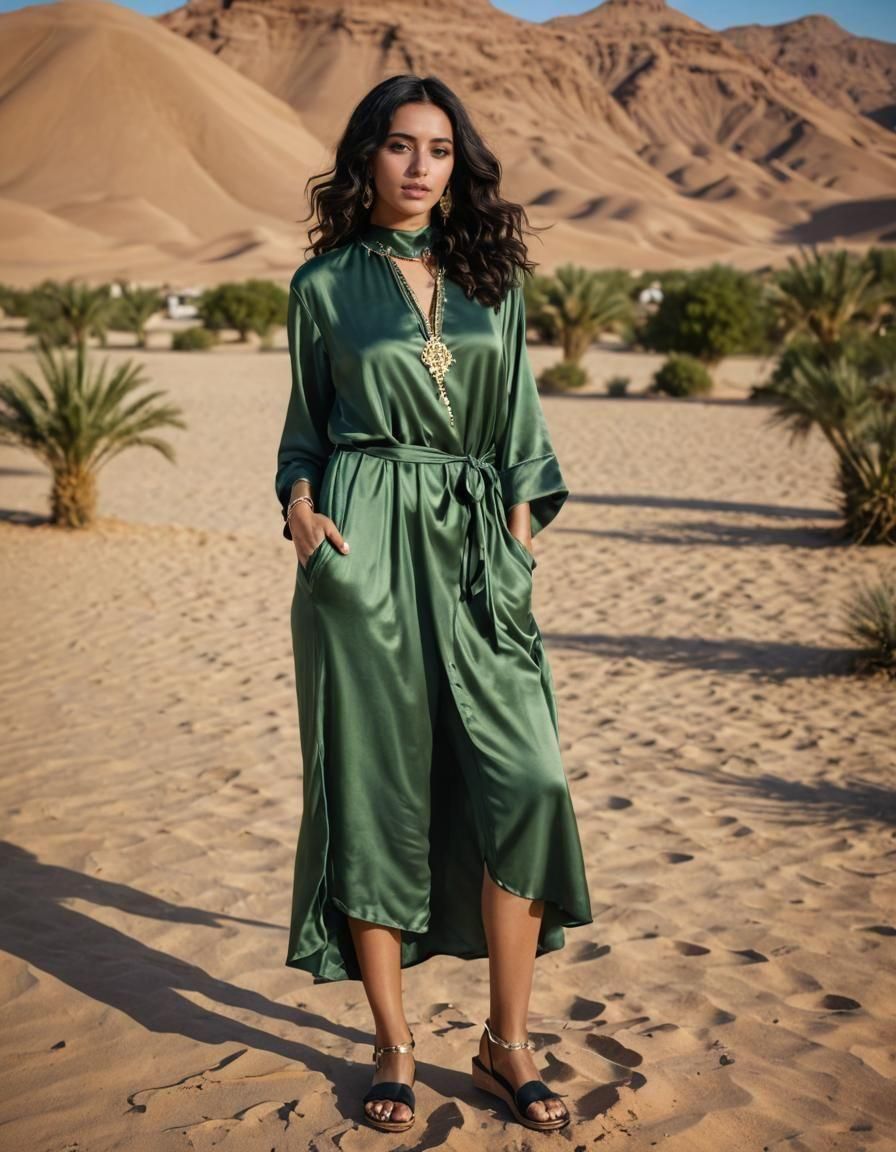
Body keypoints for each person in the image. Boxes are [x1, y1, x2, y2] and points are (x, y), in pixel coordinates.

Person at [275, 74, 593, 1135]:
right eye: (401, 145)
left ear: (459, 166)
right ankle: (394, 1044)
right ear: (366, 156)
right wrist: (303, 512)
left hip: (475, 548)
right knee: (373, 789)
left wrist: (517, 543)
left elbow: (521, 428)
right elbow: (303, 430)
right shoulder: (323, 284)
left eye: (441, 149)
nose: (421, 166)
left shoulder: (491, 279)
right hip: (363, 546)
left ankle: (506, 1042)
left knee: (528, 781)